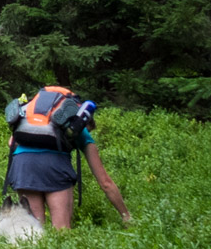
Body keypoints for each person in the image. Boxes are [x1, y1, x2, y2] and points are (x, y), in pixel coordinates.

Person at [7, 89, 131, 230]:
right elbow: (105, 183)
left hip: (23, 168)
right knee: (62, 231)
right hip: (54, 168)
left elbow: (12, 143)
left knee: (34, 233)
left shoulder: (28, 123)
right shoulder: (79, 131)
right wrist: (126, 215)